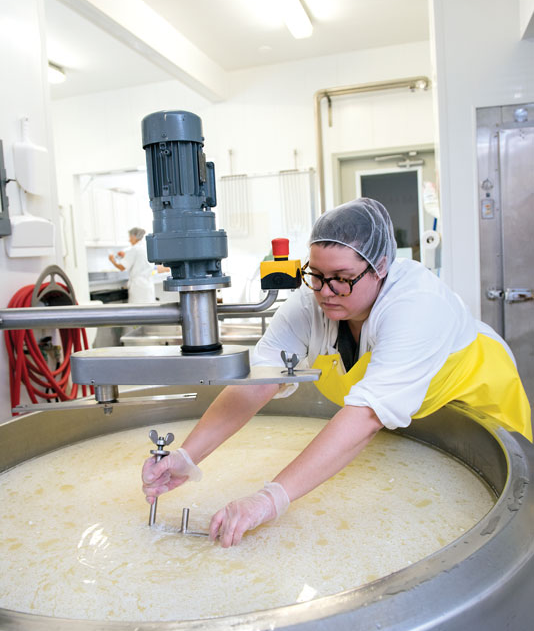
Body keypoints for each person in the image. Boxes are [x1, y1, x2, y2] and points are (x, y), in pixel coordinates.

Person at [141, 198, 532, 547]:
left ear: (380, 267)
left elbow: (366, 415)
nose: (326, 292)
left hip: (479, 411)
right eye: (317, 275)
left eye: (342, 278)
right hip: (411, 423)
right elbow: (258, 383)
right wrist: (186, 456)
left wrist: (270, 499)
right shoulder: (312, 303)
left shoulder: (416, 306)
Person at [109, 227, 168, 304]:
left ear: (134, 236)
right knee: (148, 310)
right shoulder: (145, 247)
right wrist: (125, 256)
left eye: (130, 237)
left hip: (138, 286)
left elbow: (122, 267)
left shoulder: (134, 249)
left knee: (137, 311)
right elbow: (140, 261)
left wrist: (112, 260)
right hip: (147, 284)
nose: (129, 240)